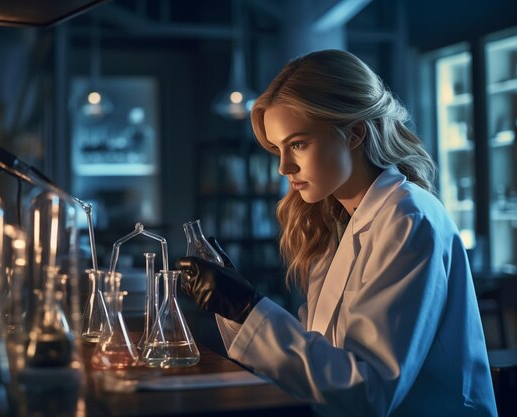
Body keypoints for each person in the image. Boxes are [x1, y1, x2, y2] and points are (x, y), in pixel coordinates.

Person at [176, 49, 497, 417]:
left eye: (297, 144)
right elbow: (322, 359)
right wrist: (231, 306)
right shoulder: (337, 222)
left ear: (354, 133)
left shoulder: (407, 219)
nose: (283, 166)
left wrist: (247, 308)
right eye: (277, 149)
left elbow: (369, 390)